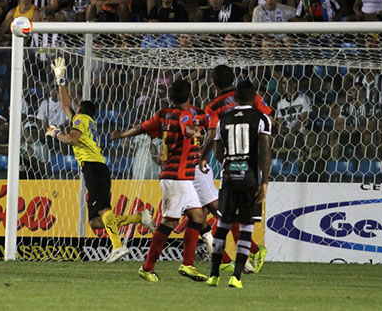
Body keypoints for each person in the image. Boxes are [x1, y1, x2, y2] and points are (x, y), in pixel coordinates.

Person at [46, 57, 155, 262]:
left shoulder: (80, 121)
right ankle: (140, 218)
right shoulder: (87, 121)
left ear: (80, 112)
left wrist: (55, 133)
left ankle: (118, 246)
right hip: (97, 167)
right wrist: (61, 80)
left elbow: (72, 138)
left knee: (104, 210)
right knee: (96, 222)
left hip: (93, 168)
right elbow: (66, 105)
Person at [113, 78, 209, 282]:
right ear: (189, 96)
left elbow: (142, 127)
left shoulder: (163, 114)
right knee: (169, 221)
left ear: (171, 97)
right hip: (177, 177)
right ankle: (147, 267)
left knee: (198, 216)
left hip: (182, 177)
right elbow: (187, 129)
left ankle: (188, 264)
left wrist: (122, 134)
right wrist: (195, 132)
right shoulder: (184, 116)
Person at [200, 65, 271, 274]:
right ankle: (248, 255)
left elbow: (213, 134)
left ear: (213, 85)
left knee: (226, 213)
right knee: (232, 214)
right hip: (252, 163)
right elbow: (270, 120)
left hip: (231, 163)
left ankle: (245, 255)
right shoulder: (250, 96)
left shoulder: (213, 106)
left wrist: (204, 156)